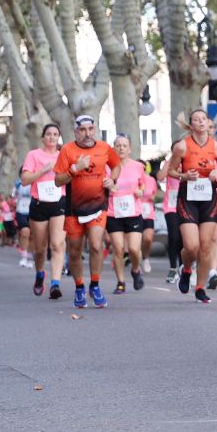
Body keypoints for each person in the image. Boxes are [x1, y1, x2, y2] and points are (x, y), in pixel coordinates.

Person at [52, 115, 122, 309]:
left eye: (91, 129)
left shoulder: (104, 147)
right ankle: (79, 287)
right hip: (74, 207)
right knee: (74, 250)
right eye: (82, 130)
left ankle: (96, 285)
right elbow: (58, 180)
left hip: (99, 204)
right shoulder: (67, 150)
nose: (87, 133)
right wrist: (75, 169)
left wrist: (112, 180)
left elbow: (116, 166)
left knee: (96, 245)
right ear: (76, 132)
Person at [164, 109, 217, 303]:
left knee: (205, 246)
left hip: (210, 198)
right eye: (196, 119)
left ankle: (200, 287)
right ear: (191, 125)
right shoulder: (182, 147)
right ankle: (186, 269)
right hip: (188, 198)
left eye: (204, 119)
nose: (201, 122)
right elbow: (171, 171)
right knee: (191, 246)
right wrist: (185, 176)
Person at [105, 135, 147, 294]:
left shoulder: (137, 166)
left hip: (133, 212)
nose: (121, 148)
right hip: (113, 211)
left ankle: (136, 270)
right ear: (113, 148)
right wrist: (108, 187)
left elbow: (142, 184)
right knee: (118, 248)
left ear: (129, 149)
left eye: (124, 145)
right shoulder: (107, 167)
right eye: (118, 145)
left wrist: (140, 191)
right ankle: (120, 282)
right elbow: (101, 184)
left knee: (135, 249)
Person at [158, 158, 183, 284]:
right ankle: (173, 267)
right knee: (173, 236)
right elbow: (160, 177)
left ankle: (184, 267)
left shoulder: (189, 162)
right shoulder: (169, 164)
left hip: (186, 205)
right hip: (171, 206)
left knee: (184, 238)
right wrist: (169, 164)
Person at [139, 170, 157, 275]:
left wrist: (153, 197)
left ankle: (145, 258)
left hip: (148, 212)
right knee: (136, 241)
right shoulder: (132, 178)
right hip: (135, 211)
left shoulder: (151, 180)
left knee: (148, 238)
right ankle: (137, 262)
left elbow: (154, 193)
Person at [13, 179, 31, 268]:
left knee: (33, 235)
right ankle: (24, 256)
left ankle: (30, 254)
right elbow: (13, 196)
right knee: (24, 232)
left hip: (34, 210)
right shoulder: (18, 184)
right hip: (21, 211)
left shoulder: (37, 180)